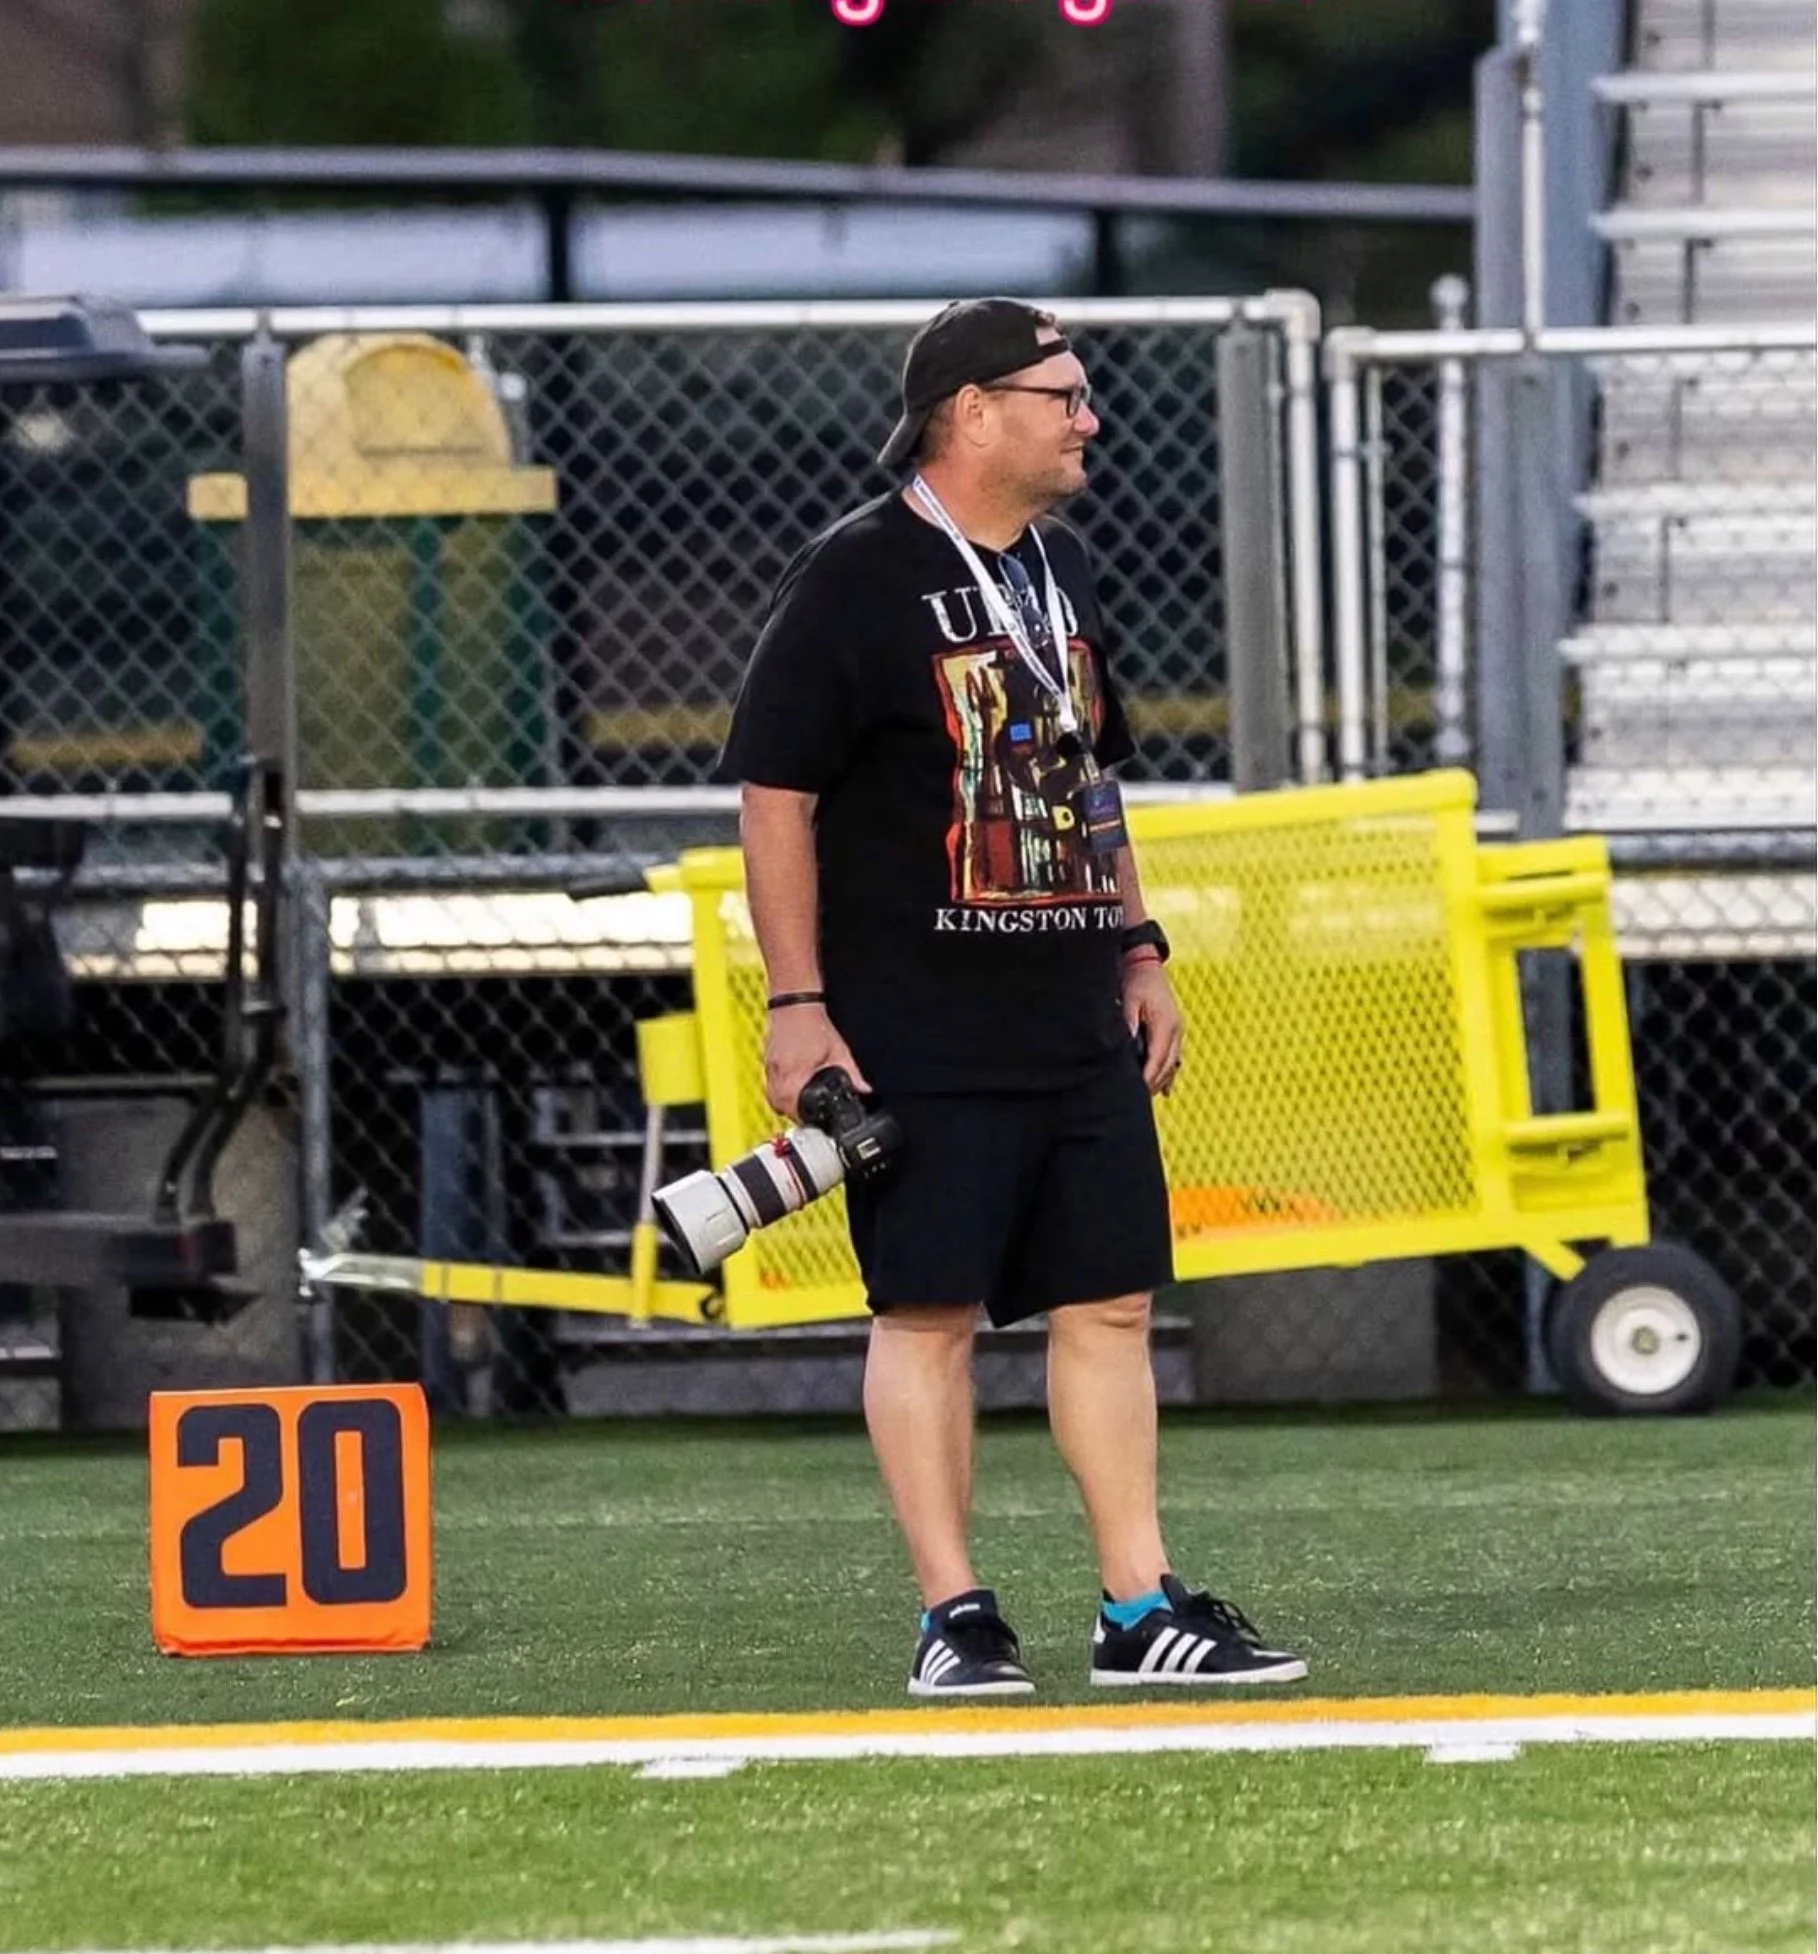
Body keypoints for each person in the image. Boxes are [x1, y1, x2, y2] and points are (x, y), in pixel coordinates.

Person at [719, 298, 1306, 1696]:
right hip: (914, 1013)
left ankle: (1135, 1603)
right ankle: (955, 1614)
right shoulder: (856, 576)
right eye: (1062, 394)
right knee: (926, 1310)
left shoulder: (1060, 572)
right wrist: (796, 1000)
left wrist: (1137, 948)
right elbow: (773, 796)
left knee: (1105, 1303)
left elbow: (1092, 779)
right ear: (969, 410)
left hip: (1065, 1005)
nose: (1086, 418)